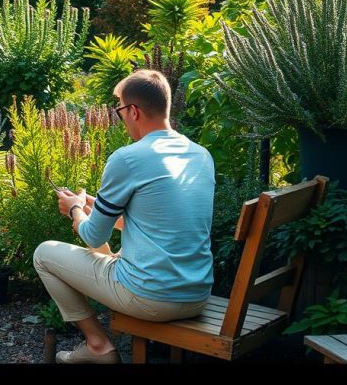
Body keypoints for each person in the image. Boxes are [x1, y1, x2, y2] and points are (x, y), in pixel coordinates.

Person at [33, 69, 215, 364]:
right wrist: (98, 206)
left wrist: (75, 209)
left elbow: (93, 236)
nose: (121, 118)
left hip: (152, 297)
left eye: (119, 111)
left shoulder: (128, 157)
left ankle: (97, 345)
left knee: (43, 254)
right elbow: (160, 221)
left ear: (133, 111)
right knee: (109, 249)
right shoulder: (200, 155)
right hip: (197, 293)